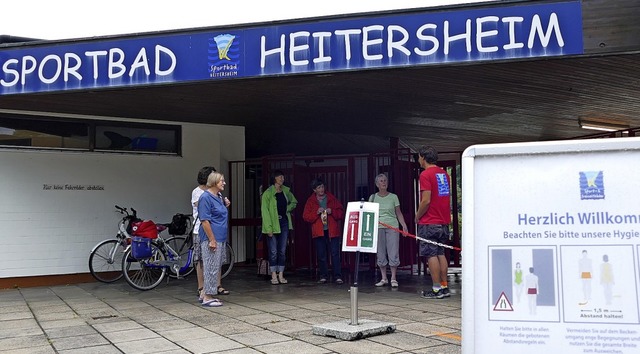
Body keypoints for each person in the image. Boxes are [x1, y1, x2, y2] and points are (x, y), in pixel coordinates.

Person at [415, 146, 452, 299]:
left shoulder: (425, 175)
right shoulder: (444, 174)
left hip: (430, 221)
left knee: (431, 255)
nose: (418, 160)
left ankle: (436, 289)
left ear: (423, 157)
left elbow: (426, 200)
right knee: (440, 253)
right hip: (443, 221)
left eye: (418, 157)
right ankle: (444, 287)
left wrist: (417, 216)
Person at [192, 166, 231, 301]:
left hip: (220, 236)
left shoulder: (217, 196)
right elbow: (205, 220)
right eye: (222, 181)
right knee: (209, 266)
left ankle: (205, 294)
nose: (224, 183)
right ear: (214, 182)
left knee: (215, 265)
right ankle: (207, 296)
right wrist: (212, 239)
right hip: (211, 237)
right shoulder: (205, 197)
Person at [303, 178, 345, 284]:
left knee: (335, 253)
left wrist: (333, 211)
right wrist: (316, 212)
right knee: (321, 254)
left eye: (322, 187)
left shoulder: (331, 198)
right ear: (314, 190)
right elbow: (306, 217)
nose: (321, 189)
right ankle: (323, 276)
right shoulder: (310, 201)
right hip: (319, 231)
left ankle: (338, 276)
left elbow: (341, 212)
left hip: (332, 231)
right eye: (318, 187)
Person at [261, 170, 298, 285]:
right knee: (273, 251)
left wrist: (287, 209)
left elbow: (294, 202)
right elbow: (265, 212)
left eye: (282, 176)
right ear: (274, 178)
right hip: (272, 223)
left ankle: (281, 275)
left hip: (284, 223)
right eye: (279, 176)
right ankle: (273, 275)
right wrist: (269, 228)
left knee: (282, 250)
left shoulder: (286, 191)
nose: (282, 178)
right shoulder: (268, 193)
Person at [370, 173, 408, 288]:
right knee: (380, 252)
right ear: (377, 184)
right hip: (378, 227)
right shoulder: (372, 198)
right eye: (381, 181)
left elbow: (398, 212)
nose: (383, 182)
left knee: (393, 251)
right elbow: (369, 214)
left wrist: (404, 226)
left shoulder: (393, 197)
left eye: (385, 180)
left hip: (392, 226)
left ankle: (393, 278)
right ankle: (383, 278)